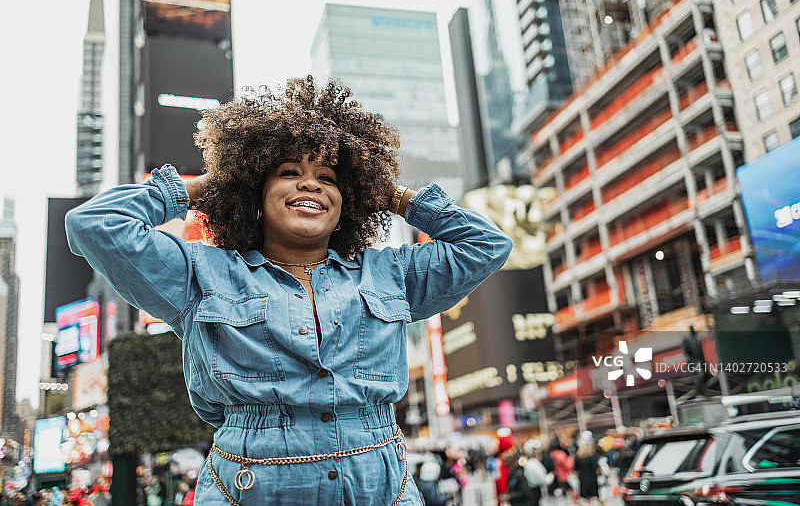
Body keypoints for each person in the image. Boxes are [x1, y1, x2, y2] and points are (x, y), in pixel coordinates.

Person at [66, 76, 512, 506]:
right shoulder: (200, 272)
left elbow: (487, 245)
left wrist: (393, 196)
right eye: (288, 171)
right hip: (246, 489)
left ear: (348, 203)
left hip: (383, 489)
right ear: (256, 196)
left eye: (330, 177)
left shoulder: (390, 272)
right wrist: (206, 187)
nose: (310, 183)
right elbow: (94, 225)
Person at [682, 325, 707, 397]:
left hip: (700, 361)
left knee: (703, 376)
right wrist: (689, 361)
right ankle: (698, 393)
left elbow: (701, 352)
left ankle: (702, 392)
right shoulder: (687, 340)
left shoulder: (697, 339)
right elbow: (685, 351)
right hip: (694, 361)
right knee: (700, 374)